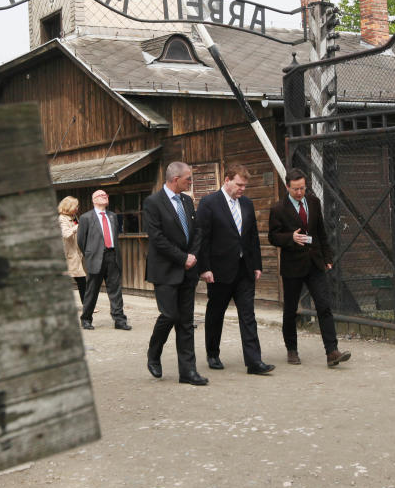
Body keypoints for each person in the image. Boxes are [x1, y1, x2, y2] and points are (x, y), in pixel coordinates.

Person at [268, 168, 351, 367]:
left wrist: (327, 257)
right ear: (287, 187)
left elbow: (321, 232)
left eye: (302, 188)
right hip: (292, 266)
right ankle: (292, 350)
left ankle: (332, 351)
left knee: (324, 306)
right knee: (290, 310)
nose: (299, 192)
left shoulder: (313, 203)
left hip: (315, 263)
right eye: (295, 189)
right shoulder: (278, 208)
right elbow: (272, 237)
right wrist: (290, 238)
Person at [197, 163, 274, 375]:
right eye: (239, 185)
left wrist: (257, 264)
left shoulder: (247, 204)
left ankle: (254, 362)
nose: (242, 189)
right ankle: (212, 353)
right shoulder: (209, 203)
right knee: (216, 313)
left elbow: (252, 236)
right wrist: (204, 268)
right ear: (227, 180)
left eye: (245, 186)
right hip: (219, 270)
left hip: (244, 269)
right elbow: (202, 238)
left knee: (248, 315)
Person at [143, 161, 208, 385]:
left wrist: (193, 257)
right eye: (188, 178)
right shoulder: (153, 203)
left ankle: (188, 372)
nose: (191, 182)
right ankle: (154, 352)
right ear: (175, 179)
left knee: (186, 322)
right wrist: (182, 258)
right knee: (169, 315)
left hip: (188, 271)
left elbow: (197, 231)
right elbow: (157, 238)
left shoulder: (188, 201)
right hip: (165, 270)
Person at [77, 189, 131, 331]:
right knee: (92, 290)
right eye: (100, 195)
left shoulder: (113, 216)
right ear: (93, 200)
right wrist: (90, 254)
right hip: (95, 258)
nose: (104, 196)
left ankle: (119, 320)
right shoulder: (86, 218)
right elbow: (81, 241)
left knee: (115, 290)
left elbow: (115, 236)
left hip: (112, 256)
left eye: (105, 195)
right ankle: (86, 319)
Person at [57, 196, 87, 305]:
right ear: (69, 206)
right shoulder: (62, 219)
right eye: (76, 206)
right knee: (81, 279)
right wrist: (78, 226)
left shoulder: (73, 216)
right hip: (69, 254)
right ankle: (88, 306)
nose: (78, 208)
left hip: (76, 253)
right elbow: (66, 234)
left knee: (80, 280)